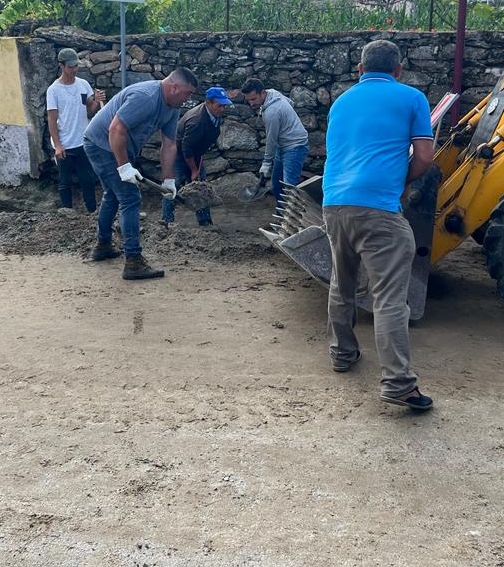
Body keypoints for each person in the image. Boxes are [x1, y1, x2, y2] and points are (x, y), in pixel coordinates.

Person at [322, 39, 435, 412]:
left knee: (342, 282)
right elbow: (423, 157)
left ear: (359, 69)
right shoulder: (412, 98)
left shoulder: (341, 102)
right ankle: (399, 384)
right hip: (379, 209)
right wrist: (403, 184)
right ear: (399, 70)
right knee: (388, 298)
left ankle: (342, 353)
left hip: (334, 204)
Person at [83, 68, 198, 280]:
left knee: (113, 195)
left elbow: (170, 144)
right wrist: (123, 166)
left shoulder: (172, 107)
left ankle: (103, 245)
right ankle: (133, 262)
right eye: (187, 93)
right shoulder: (146, 97)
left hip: (119, 146)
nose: (188, 99)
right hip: (101, 143)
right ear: (174, 87)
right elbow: (116, 129)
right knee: (130, 197)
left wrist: (169, 180)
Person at [161, 86, 231, 227]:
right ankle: (166, 222)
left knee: (201, 186)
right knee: (173, 185)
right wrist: (193, 170)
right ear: (209, 103)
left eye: (225, 105)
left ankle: (205, 221)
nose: (223, 109)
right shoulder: (197, 121)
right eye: (220, 105)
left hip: (195, 153)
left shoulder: (213, 115)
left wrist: (197, 167)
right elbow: (187, 149)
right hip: (179, 154)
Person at [46, 48, 105, 212]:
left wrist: (97, 101)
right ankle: (67, 213)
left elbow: (90, 110)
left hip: (82, 141)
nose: (74, 70)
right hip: (65, 143)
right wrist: (58, 145)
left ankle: (92, 211)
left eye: (75, 66)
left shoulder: (83, 85)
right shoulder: (54, 90)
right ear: (61, 66)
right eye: (70, 67)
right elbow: (51, 119)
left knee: (87, 179)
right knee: (65, 182)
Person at [239, 78, 308, 211]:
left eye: (253, 99)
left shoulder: (272, 112)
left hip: (295, 146)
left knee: (289, 188)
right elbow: (290, 102)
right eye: (248, 100)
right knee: (276, 185)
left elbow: (271, 140)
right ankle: (282, 213)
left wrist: (266, 163)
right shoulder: (272, 93)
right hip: (283, 145)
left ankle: (287, 221)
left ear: (262, 93)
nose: (251, 103)